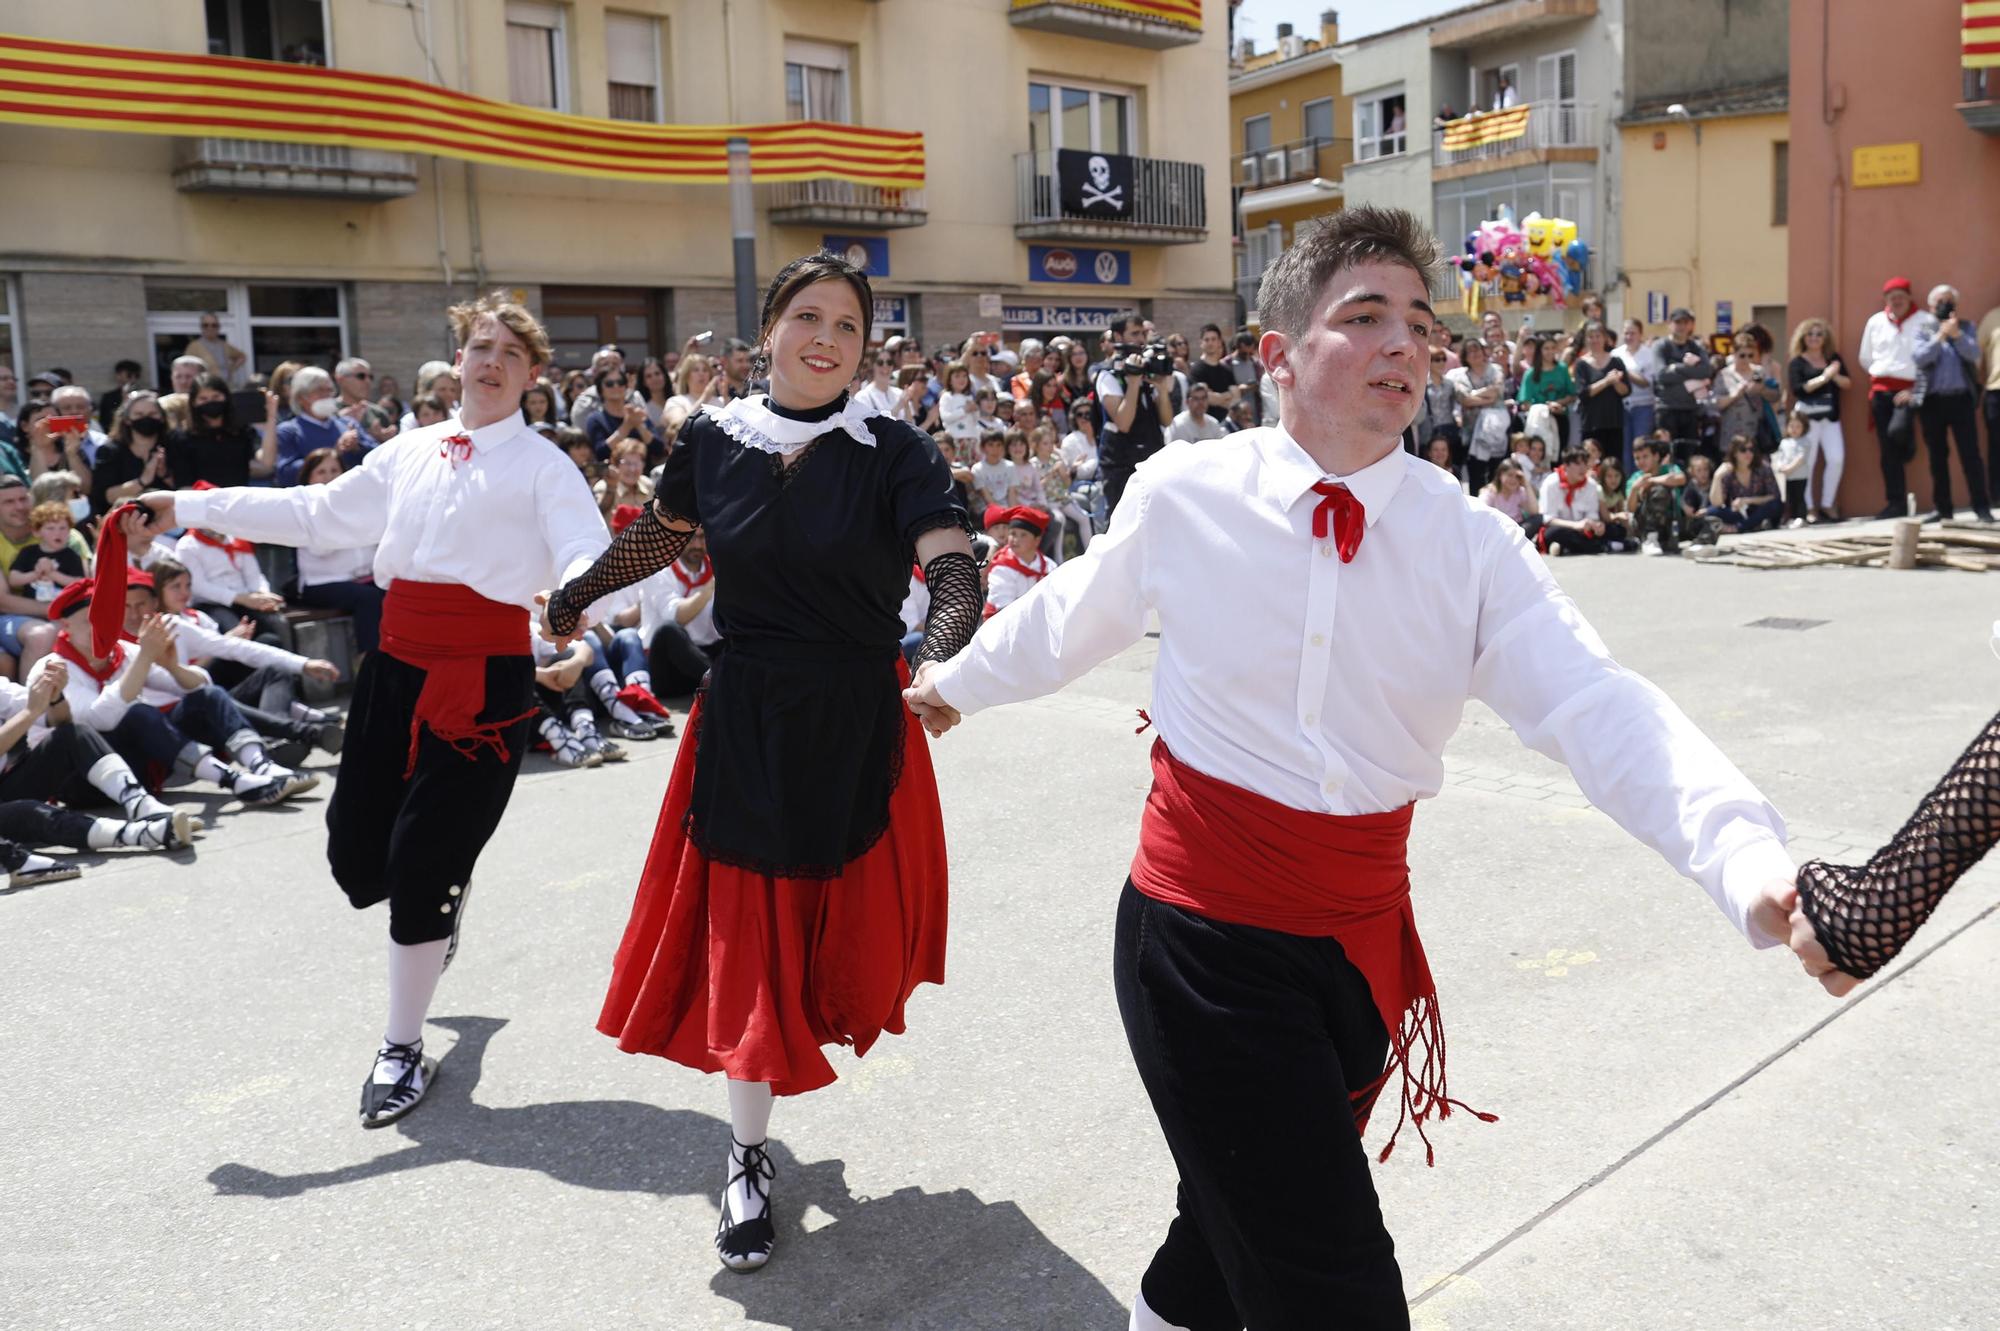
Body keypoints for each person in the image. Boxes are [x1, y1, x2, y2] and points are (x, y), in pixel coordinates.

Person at [902, 206, 1837, 1330]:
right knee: (1329, 1282)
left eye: (1419, 322)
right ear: (1276, 354)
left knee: (1221, 1231)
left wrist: (1743, 856)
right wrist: (948, 685)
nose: (1404, 342)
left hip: (1356, 956)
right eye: (1363, 316)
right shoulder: (1185, 492)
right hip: (1196, 938)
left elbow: (1594, 701)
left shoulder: (1470, 541)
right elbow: (1062, 618)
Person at [542, 252, 978, 1275]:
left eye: (848, 327)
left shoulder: (892, 447)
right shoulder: (714, 437)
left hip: (855, 720)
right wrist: (577, 595)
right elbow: (664, 533)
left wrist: (940, 648)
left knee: (829, 949)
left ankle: (767, 1122)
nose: (827, 337)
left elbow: (951, 563)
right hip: (742, 720)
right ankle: (745, 1155)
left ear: (865, 349)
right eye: (807, 316)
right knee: (748, 950)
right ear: (769, 329)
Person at [132, 291, 616, 1130]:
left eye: (510, 352)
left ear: (533, 376)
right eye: (479, 348)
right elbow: (318, 516)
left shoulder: (545, 465)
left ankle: (401, 1044)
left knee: (424, 861)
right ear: (458, 362)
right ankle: (438, 909)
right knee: (359, 854)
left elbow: (585, 549)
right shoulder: (410, 448)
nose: (491, 362)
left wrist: (573, 604)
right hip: (394, 668)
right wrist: (191, 504)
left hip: (486, 678)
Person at [49, 576, 311, 810]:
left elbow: (200, 685)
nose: (101, 629)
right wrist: (145, 658)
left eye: (106, 619)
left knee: (208, 697)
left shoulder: (124, 652)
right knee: (138, 713)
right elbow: (100, 718)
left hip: (139, 764)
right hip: (88, 780)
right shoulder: (53, 668)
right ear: (66, 626)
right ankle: (235, 780)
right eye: (89, 622)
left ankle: (261, 764)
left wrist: (171, 665)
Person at [126, 560, 341, 764]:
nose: (134, 614)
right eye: (126, 606)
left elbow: (235, 648)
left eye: (141, 604)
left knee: (272, 669)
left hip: (204, 702)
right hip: (168, 725)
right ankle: (305, 731)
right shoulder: (111, 642)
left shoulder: (173, 623)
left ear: (154, 602)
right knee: (209, 695)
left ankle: (277, 740)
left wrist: (304, 664)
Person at [1912, 283, 1991, 523]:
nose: (1944, 305)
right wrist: (1941, 335)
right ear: (1931, 305)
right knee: (1937, 456)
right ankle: (1943, 509)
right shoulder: (1924, 328)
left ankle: (1981, 507)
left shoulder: (1966, 327)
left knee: (1970, 455)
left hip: (1960, 400)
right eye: (1940, 301)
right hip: (1932, 402)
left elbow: (1974, 355)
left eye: (1949, 301)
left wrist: (1956, 335)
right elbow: (1920, 357)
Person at [1857, 276, 1927, 519]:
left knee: (1898, 432)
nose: (1896, 301)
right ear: (1885, 299)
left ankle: (1908, 446)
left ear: (1909, 297)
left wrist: (1915, 388)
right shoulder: (1876, 322)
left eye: (1900, 296)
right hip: (1881, 390)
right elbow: (1865, 357)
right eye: (1891, 297)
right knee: (1887, 450)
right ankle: (1896, 502)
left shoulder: (1924, 321)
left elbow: (1932, 359)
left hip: (1910, 388)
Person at [1097, 316, 1179, 516]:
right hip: (1121, 464)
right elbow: (1124, 423)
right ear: (1118, 336)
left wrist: (1161, 388)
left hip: (1151, 455)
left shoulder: (1148, 370)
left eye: (1142, 333)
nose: (1140, 339)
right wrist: (1133, 383)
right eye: (1134, 333)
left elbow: (1167, 420)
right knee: (1122, 523)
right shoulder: (1108, 375)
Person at [1787, 318, 1850, 523]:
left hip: (1830, 419)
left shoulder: (1833, 358)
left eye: (1818, 334)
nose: (1814, 338)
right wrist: (1824, 377)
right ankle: (1809, 508)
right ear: (1803, 338)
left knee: (1836, 459)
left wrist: (1833, 376)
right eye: (1810, 334)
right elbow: (1799, 389)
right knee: (1808, 462)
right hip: (1807, 421)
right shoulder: (1797, 362)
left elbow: (1847, 383)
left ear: (1825, 338)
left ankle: (1827, 503)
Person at [167, 376, 279, 487]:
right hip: (201, 501)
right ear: (194, 402)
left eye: (216, 396)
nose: (210, 402)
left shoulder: (241, 431)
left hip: (235, 500)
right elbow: (183, 484)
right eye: (203, 399)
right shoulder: (182, 438)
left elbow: (266, 464)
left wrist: (271, 417)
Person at [94, 392, 180, 514]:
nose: (146, 418)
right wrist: (143, 480)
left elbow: (185, 488)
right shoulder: (110, 451)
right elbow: (107, 496)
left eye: (152, 414)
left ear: (161, 417)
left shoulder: (175, 445)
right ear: (127, 419)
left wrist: (165, 474)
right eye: (138, 414)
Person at [275, 367, 359, 485]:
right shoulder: (288, 431)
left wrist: (357, 447)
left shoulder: (348, 424)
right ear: (300, 397)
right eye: (319, 390)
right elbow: (285, 473)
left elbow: (374, 459)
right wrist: (331, 456)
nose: (326, 395)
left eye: (329, 390)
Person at [1448, 338, 1511, 494]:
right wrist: (1485, 397)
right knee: (1476, 475)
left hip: (1495, 431)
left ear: (1484, 352)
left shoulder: (1496, 370)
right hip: (1472, 431)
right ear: (1464, 356)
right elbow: (1464, 400)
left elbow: (1495, 394)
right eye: (1469, 351)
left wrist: (1473, 396)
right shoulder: (1460, 376)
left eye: (1477, 349)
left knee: (1496, 472)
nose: (1474, 353)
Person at [1653, 308, 1713, 461]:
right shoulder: (1661, 346)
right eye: (1677, 322)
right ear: (1669, 324)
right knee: (1666, 456)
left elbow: (1706, 371)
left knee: (1690, 457)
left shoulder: (1696, 347)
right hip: (1667, 410)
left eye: (1685, 322)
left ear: (1690, 325)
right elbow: (1661, 375)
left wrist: (1675, 368)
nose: (1681, 326)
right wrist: (1690, 369)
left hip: (1690, 411)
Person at [1570, 321, 1628, 463]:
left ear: (1605, 338)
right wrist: (1606, 381)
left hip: (1613, 422)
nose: (1595, 340)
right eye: (1591, 337)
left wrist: (1616, 382)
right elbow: (1583, 393)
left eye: (1598, 336)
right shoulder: (1581, 364)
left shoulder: (1616, 361)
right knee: (1590, 463)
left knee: (1613, 462)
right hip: (1591, 423)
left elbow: (1626, 391)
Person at [8, 501, 86, 603]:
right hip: (32, 608)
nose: (58, 533)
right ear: (37, 532)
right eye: (50, 528)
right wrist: (37, 573)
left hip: (63, 608)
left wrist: (52, 574)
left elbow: (79, 583)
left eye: (63, 528)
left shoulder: (71, 555)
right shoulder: (28, 552)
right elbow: (13, 580)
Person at [1713, 332, 1774, 462]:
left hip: (1756, 435)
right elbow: (1716, 404)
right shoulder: (1724, 375)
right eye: (1742, 355)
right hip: (1731, 436)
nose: (1747, 359)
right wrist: (1735, 395)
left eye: (1750, 355)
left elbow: (1775, 397)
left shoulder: (1759, 372)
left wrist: (1762, 389)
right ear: (1734, 353)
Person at [983, 507, 1055, 617]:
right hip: (1005, 625)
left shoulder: (1049, 566)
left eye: (1023, 535)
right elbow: (1004, 611)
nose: (1015, 540)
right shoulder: (1002, 567)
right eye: (1013, 533)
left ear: (1037, 540)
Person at [1537, 447, 1609, 555]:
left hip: (1582, 531)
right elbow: (1548, 519)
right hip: (1561, 528)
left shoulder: (1591, 485)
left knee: (1614, 529)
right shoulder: (1551, 483)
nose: (1583, 468)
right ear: (1566, 465)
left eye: (1585, 463)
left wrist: (1595, 525)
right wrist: (1575, 525)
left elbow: (1592, 515)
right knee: (1553, 533)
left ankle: (1565, 548)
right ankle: (1599, 546)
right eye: (1577, 464)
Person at [1705, 435, 1785, 533]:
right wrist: (1717, 477)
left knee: (1775, 505)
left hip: (1761, 510)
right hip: (1741, 513)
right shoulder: (1728, 471)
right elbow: (1717, 503)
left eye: (1751, 449)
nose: (1748, 453)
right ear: (1734, 453)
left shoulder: (1763, 467)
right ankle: (1751, 525)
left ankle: (1738, 527)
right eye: (1743, 450)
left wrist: (1747, 500)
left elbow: (1775, 496)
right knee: (1711, 511)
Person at [1626, 435, 1688, 555]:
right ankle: (1650, 539)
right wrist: (1635, 489)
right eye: (1637, 458)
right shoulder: (1635, 478)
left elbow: (1681, 479)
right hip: (1645, 524)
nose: (1641, 462)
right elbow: (1631, 508)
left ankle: (1700, 545)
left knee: (1711, 522)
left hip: (1672, 522)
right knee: (1659, 490)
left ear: (1656, 456)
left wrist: (1653, 481)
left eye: (1645, 456)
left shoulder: (1670, 469)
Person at [1613, 318, 1661, 470]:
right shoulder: (1616, 354)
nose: (1629, 337)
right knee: (1625, 449)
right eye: (1626, 333)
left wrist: (1625, 372)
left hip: (1643, 406)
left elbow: (1647, 382)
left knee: (1641, 447)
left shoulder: (1649, 354)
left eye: (1632, 333)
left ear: (1640, 334)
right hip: (1622, 406)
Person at [336, 358, 399, 446]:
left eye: (370, 377)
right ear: (341, 380)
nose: (368, 381)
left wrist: (384, 440)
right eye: (361, 376)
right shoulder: (330, 412)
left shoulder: (378, 413)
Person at [184, 312, 248, 388]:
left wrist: (231, 369)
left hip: (226, 386)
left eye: (214, 325)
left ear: (218, 327)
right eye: (206, 325)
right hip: (205, 389)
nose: (210, 328)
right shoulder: (194, 346)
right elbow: (186, 369)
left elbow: (242, 356)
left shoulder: (224, 345)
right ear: (201, 327)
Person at [396, 362, 458, 434]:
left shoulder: (458, 418)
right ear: (427, 391)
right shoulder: (411, 421)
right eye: (442, 389)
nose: (449, 394)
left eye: (452, 390)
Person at [96, 359, 143, 432]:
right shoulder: (109, 398)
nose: (133, 380)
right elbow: (105, 422)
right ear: (118, 376)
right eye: (129, 375)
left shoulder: (144, 395)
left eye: (137, 376)